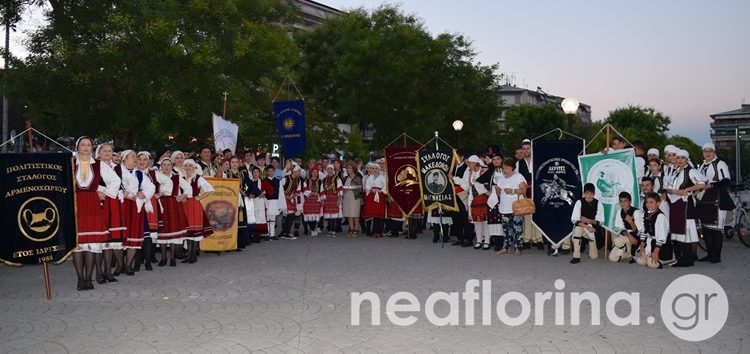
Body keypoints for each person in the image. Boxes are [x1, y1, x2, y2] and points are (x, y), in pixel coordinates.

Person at [72, 137, 112, 290]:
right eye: (83, 145)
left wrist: (104, 192)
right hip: (76, 205)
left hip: (93, 204)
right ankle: (80, 279)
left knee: (92, 243)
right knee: (78, 244)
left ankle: (88, 279)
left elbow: (114, 181)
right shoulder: (69, 163)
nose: (86, 147)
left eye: (89, 145)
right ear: (78, 147)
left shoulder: (99, 164)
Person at [665, 149, 706, 267]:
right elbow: (669, 187)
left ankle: (687, 259)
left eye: (682, 158)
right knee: (679, 230)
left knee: (687, 231)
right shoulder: (676, 171)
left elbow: (702, 183)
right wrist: (673, 191)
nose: (680, 160)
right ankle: (681, 257)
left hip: (686, 205)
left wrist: (687, 190)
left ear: (687, 159)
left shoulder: (691, 171)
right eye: (678, 158)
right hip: (676, 205)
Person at [117, 150, 155, 275]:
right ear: (124, 158)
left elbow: (151, 187)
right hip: (120, 206)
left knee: (133, 236)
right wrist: (124, 194)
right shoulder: (117, 171)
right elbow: (109, 187)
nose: (135, 159)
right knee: (119, 237)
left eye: (135, 156)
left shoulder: (139, 173)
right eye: (133, 156)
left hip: (135, 207)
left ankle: (128, 265)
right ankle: (120, 265)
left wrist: (143, 193)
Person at [697, 142, 733, 263]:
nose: (707, 153)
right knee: (706, 228)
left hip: (717, 198)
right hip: (705, 199)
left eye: (710, 151)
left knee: (716, 229)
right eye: (705, 151)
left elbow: (726, 181)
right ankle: (710, 253)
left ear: (714, 152)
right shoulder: (702, 165)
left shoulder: (720, 164)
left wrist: (711, 185)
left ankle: (716, 256)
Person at [95, 142, 126, 283]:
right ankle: (99, 273)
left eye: (109, 151)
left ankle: (108, 272)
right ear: (99, 153)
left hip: (113, 204)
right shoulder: (94, 166)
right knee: (100, 239)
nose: (107, 153)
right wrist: (99, 191)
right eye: (105, 151)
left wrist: (127, 191)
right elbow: (89, 182)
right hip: (99, 203)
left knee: (110, 241)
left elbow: (129, 183)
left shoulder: (118, 167)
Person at [153, 157, 190, 267]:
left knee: (174, 231)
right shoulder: (156, 177)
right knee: (163, 231)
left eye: (168, 165)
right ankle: (164, 257)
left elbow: (188, 188)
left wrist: (182, 196)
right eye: (164, 165)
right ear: (161, 166)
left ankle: (172, 258)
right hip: (162, 204)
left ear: (171, 166)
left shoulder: (176, 177)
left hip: (174, 204)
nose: (166, 167)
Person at [182, 159, 214, 263]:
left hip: (195, 206)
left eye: (190, 166)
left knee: (194, 231)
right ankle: (189, 255)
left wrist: (199, 197)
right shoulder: (181, 178)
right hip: (184, 205)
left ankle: (193, 255)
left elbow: (210, 189)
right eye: (186, 165)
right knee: (188, 230)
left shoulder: (198, 178)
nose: (188, 168)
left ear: (194, 167)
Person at [455, 155, 490, 250]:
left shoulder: (483, 170)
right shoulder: (470, 172)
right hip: (474, 198)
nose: (468, 165)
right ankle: (479, 240)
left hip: (484, 197)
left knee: (485, 220)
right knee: (477, 221)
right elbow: (469, 187)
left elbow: (486, 185)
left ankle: (487, 241)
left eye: (469, 163)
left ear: (475, 163)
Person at [495, 158, 528, 255]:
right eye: (503, 168)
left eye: (506, 168)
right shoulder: (501, 179)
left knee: (517, 229)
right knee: (506, 230)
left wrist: (512, 191)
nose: (504, 170)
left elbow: (523, 191)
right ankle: (506, 247)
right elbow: (498, 194)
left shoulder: (518, 176)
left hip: (516, 208)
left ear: (512, 167)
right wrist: (497, 189)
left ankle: (518, 247)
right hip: (504, 207)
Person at [569, 183, 604, 264]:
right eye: (587, 193)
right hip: (583, 227)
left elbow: (600, 222)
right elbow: (574, 220)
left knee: (594, 257)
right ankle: (576, 256)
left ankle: (590, 243)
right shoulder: (579, 202)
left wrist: (588, 220)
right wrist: (587, 226)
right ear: (584, 193)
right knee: (577, 228)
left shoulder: (598, 204)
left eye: (591, 193)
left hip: (594, 230)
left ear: (594, 193)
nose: (589, 195)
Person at [636, 193, 671, 269]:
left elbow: (662, 237)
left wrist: (656, 252)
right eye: (647, 202)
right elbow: (643, 231)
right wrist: (642, 247)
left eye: (651, 202)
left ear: (658, 203)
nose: (648, 204)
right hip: (648, 240)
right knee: (640, 261)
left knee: (651, 264)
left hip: (659, 244)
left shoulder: (660, 216)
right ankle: (648, 254)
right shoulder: (645, 213)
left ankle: (664, 259)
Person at [136, 151, 158, 271]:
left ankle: (148, 261)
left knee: (148, 235)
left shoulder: (153, 173)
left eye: (145, 159)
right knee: (137, 233)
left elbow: (169, 181)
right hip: (136, 204)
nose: (142, 162)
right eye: (140, 159)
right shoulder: (132, 172)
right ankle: (138, 261)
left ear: (149, 161)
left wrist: (161, 192)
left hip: (149, 205)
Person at [225, 156, 252, 249]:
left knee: (240, 221)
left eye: (237, 162)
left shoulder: (243, 174)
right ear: (229, 163)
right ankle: (229, 244)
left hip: (240, 200)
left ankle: (239, 243)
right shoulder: (226, 174)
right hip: (229, 200)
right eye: (233, 162)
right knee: (230, 221)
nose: (235, 164)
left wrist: (248, 193)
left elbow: (249, 185)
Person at [609, 192, 643, 263]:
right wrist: (628, 236)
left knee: (617, 241)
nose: (623, 203)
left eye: (625, 201)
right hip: (626, 236)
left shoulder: (636, 212)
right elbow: (620, 228)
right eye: (621, 201)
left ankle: (631, 249)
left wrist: (631, 222)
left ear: (630, 202)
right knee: (612, 258)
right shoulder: (619, 212)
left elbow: (639, 232)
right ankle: (627, 252)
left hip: (636, 237)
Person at [364, 162, 387, 237]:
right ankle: (374, 231)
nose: (374, 170)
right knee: (373, 213)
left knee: (379, 214)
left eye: (376, 168)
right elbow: (367, 185)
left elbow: (386, 185)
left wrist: (381, 191)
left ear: (379, 169)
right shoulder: (370, 177)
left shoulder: (382, 177)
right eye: (373, 168)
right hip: (372, 196)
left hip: (380, 196)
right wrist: (370, 189)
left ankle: (379, 231)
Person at [280, 164, 303, 239]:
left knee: (291, 215)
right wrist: (285, 195)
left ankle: (285, 232)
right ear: (294, 171)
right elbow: (279, 187)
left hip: (291, 198)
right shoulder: (286, 178)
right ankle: (286, 233)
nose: (299, 173)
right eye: (298, 171)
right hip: (284, 198)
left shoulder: (298, 180)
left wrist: (293, 196)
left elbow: (298, 190)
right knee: (289, 215)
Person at [262, 165, 283, 240]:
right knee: (267, 218)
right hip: (267, 201)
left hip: (275, 201)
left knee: (273, 218)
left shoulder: (278, 181)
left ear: (274, 172)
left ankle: (272, 234)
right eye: (269, 171)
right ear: (267, 172)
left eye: (272, 171)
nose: (271, 172)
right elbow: (263, 192)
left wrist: (280, 204)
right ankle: (267, 234)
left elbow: (280, 193)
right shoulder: (264, 181)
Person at [322, 165, 344, 236]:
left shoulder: (337, 179)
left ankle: (333, 230)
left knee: (334, 215)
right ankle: (330, 230)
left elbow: (340, 190)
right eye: (328, 169)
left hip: (335, 198)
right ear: (326, 170)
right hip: (327, 198)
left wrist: (339, 200)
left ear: (333, 170)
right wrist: (323, 199)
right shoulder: (325, 179)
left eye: (331, 168)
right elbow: (322, 190)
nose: (330, 170)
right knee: (329, 215)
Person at [246, 166, 268, 241]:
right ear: (252, 173)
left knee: (261, 216)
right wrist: (249, 195)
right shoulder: (250, 182)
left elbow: (264, 192)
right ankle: (254, 233)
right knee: (253, 216)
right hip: (251, 202)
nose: (255, 173)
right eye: (254, 172)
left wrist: (257, 195)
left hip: (260, 201)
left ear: (259, 173)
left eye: (257, 172)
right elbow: (247, 192)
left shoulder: (262, 182)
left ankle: (262, 233)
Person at [342, 162, 363, 237]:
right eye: (347, 168)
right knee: (349, 213)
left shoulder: (358, 178)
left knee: (355, 213)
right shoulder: (345, 178)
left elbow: (361, 189)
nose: (348, 169)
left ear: (354, 168)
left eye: (349, 168)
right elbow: (342, 188)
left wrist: (356, 187)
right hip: (347, 197)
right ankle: (351, 228)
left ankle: (356, 228)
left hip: (355, 197)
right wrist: (343, 190)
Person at [303, 167, 324, 236]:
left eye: (316, 172)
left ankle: (313, 229)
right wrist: (312, 193)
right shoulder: (306, 181)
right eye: (313, 172)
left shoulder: (320, 181)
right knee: (309, 215)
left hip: (316, 200)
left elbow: (322, 191)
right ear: (311, 173)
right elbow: (304, 190)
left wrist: (322, 200)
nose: (315, 173)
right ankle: (312, 229)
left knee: (315, 215)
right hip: (308, 200)